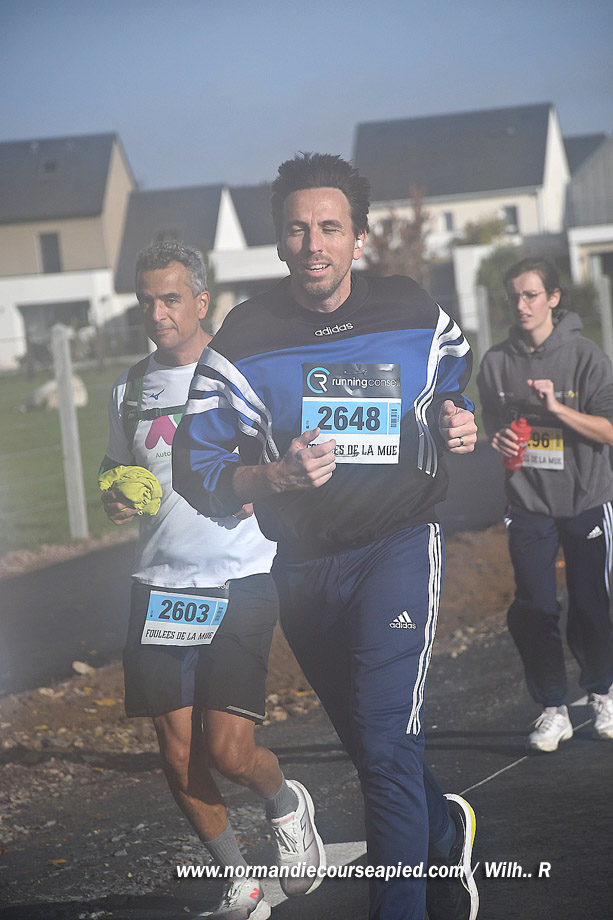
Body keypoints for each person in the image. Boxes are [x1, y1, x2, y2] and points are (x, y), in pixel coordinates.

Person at [172, 154, 480, 920]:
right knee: (372, 746)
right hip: (304, 568)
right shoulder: (244, 337)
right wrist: (272, 476)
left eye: (330, 227)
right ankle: (444, 831)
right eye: (297, 228)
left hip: (398, 543)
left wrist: (457, 419)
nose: (313, 243)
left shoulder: (410, 309)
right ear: (279, 241)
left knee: (385, 742)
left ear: (359, 238)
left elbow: (450, 378)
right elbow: (195, 467)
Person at [99, 240, 325, 920]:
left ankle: (285, 802)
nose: (157, 314)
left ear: (201, 301)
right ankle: (239, 881)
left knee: (229, 752)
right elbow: (114, 469)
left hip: (238, 577)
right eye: (146, 302)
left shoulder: (239, 376)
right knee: (176, 756)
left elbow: (292, 458)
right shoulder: (128, 390)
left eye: (171, 299)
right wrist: (114, 493)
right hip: (159, 587)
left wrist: (269, 484)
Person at [477, 256, 613, 752]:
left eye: (531, 294)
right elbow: (494, 420)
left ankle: (602, 692)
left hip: (585, 497)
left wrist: (557, 408)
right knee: (534, 607)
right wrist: (499, 439)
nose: (521, 305)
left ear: (553, 298)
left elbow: (609, 429)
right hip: (528, 500)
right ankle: (553, 708)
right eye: (514, 296)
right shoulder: (496, 361)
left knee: (590, 603)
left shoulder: (586, 355)